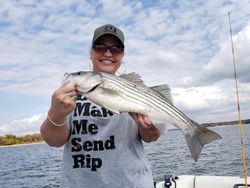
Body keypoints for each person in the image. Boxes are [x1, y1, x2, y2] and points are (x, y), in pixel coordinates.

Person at [40, 24, 164, 188]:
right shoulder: (67, 95)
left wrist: (149, 129)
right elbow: (54, 141)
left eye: (116, 48)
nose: (107, 53)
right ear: (91, 52)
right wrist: (56, 113)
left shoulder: (136, 90)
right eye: (100, 47)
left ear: (122, 54)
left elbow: (151, 137)